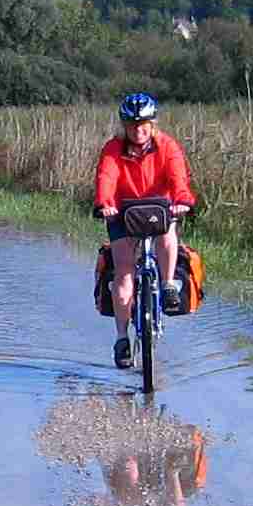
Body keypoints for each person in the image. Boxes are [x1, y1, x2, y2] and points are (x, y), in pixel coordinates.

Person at [91, 92, 197, 370]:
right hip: (121, 211)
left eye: (144, 125)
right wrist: (104, 203)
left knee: (167, 233)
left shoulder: (167, 146)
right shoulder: (113, 148)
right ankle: (122, 338)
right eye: (132, 125)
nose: (138, 130)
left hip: (158, 208)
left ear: (152, 124)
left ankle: (168, 284)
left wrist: (182, 200)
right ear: (124, 126)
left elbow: (177, 176)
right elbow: (107, 176)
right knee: (124, 275)